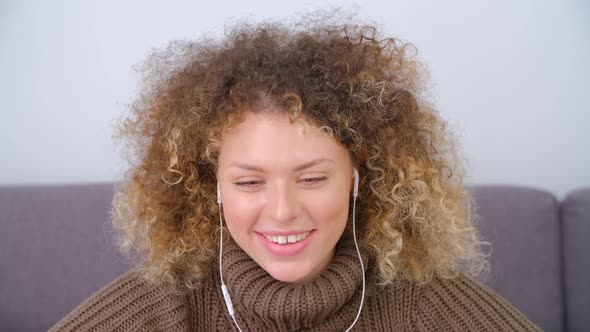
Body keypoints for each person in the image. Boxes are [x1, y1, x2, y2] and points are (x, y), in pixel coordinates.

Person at [50, 12, 541, 332]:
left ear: (358, 174)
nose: (283, 212)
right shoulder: (160, 308)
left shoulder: (427, 304)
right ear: (211, 187)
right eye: (248, 182)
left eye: (311, 178)